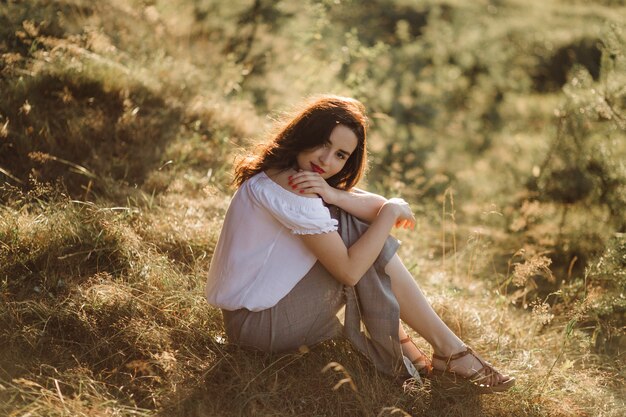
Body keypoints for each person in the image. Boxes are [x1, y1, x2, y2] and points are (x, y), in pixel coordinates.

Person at [205, 95, 515, 393]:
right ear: (304, 134)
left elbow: (375, 207)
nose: (327, 160)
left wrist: (337, 196)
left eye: (340, 155)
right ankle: (447, 352)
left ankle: (435, 352)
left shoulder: (285, 172)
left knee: (360, 228)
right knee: (365, 242)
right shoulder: (294, 186)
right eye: (323, 144)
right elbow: (352, 270)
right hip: (258, 328)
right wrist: (392, 209)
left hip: (251, 318)